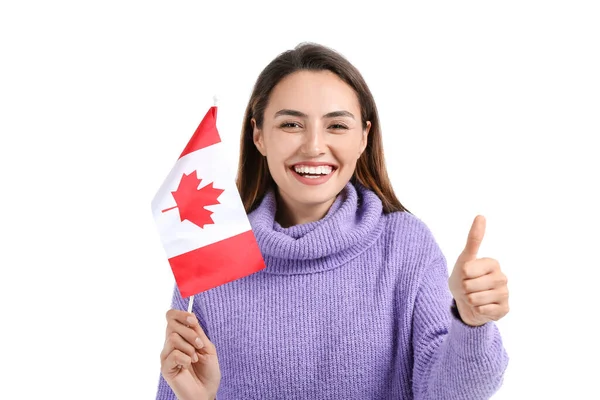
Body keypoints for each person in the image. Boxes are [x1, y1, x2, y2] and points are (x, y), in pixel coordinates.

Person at [155, 42, 510, 400]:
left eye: (337, 125)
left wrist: (471, 323)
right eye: (291, 124)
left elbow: (447, 393)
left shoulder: (405, 246)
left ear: (363, 138)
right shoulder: (212, 252)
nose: (313, 146)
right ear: (259, 135)